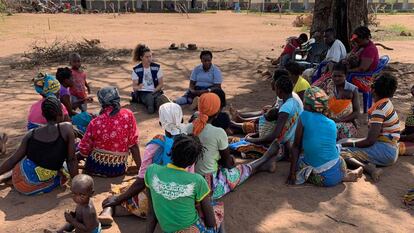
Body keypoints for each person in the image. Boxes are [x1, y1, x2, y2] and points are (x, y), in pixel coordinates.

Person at [98, 102, 186, 225]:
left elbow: (141, 180)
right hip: (182, 202)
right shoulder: (190, 143)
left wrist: (118, 199)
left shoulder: (156, 144)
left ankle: (109, 210)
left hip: (156, 201)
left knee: (119, 194)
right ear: (182, 119)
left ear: (161, 123)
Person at [184, 93, 275, 200]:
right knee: (239, 170)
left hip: (189, 180)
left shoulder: (188, 128)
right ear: (217, 112)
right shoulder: (218, 132)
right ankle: (264, 160)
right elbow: (228, 164)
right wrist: (231, 161)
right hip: (208, 186)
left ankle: (263, 165)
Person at [145, 134, 224, 233]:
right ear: (193, 161)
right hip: (192, 230)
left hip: (168, 230)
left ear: (171, 150)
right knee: (217, 207)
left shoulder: (151, 170)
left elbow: (151, 213)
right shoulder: (197, 180)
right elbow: (211, 222)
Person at [0, 97, 78, 195]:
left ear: (43, 115)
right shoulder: (66, 128)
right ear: (60, 114)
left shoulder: (31, 134)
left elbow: (13, 160)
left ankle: (4, 177)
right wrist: (77, 183)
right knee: (64, 171)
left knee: (26, 160)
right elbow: (72, 160)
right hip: (33, 185)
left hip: (21, 180)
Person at [286, 87, 363, 187]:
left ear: (308, 105)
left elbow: (296, 147)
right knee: (332, 152)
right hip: (340, 166)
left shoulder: (304, 115)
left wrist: (292, 174)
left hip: (324, 179)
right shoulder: (331, 123)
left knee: (299, 161)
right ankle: (345, 175)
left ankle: (339, 176)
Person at [340, 73, 400, 182]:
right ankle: (368, 164)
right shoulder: (386, 103)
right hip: (389, 148)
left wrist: (347, 144)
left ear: (372, 90)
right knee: (343, 141)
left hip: (385, 151)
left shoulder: (379, 109)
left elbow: (370, 141)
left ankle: (368, 168)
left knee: (340, 150)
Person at [229, 76, 303, 160]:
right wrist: (257, 136)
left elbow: (274, 135)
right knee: (238, 141)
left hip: (282, 146)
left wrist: (253, 140)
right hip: (290, 141)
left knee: (240, 146)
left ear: (279, 91)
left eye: (275, 89)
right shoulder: (294, 102)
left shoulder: (285, 109)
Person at [79, 87, 141, 177]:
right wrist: (141, 168)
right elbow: (133, 145)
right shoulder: (128, 115)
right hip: (117, 170)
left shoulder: (95, 122)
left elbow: (84, 150)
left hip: (94, 168)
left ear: (101, 102)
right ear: (117, 98)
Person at [130, 44, 169, 114]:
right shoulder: (136, 70)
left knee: (159, 98)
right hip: (143, 93)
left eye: (150, 56)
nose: (149, 59)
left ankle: (163, 104)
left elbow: (161, 84)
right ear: (141, 57)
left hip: (155, 91)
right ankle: (153, 106)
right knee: (149, 98)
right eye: (147, 57)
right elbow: (134, 87)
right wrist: (138, 87)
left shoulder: (157, 67)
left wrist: (154, 91)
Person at [56, 67, 93, 134]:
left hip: (64, 117)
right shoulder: (64, 93)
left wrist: (83, 100)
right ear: (66, 80)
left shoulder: (63, 88)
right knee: (91, 119)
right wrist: (83, 115)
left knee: (88, 116)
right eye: (72, 78)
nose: (73, 80)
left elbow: (69, 106)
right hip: (67, 120)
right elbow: (70, 112)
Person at [328, 63, 359, 140]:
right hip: (330, 121)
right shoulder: (329, 86)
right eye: (334, 76)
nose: (337, 78)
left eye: (340, 76)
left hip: (347, 123)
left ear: (346, 76)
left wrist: (340, 120)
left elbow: (356, 113)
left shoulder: (352, 89)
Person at [399, 85, 414, 156]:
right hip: (408, 138)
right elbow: (410, 125)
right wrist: (401, 133)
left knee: (391, 148)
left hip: (411, 141)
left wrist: (400, 137)